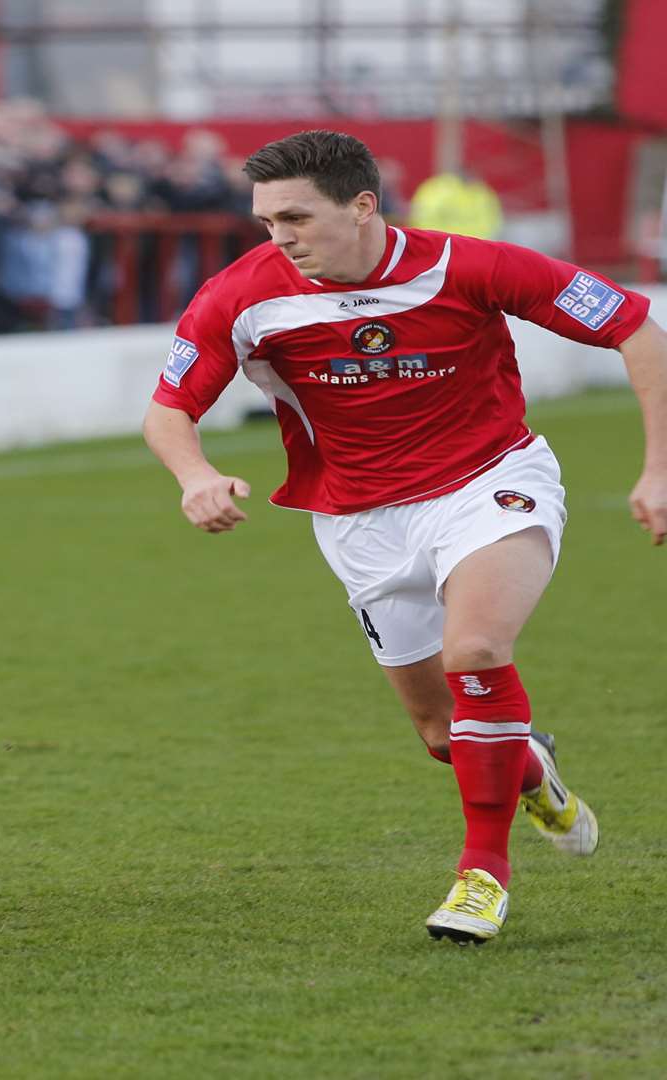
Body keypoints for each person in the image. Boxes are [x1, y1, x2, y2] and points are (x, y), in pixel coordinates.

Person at [142, 129, 667, 945]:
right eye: (266, 221)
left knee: (478, 651)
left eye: (295, 216)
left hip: (489, 483)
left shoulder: (472, 265)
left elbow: (636, 327)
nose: (278, 236)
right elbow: (169, 408)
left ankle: (482, 876)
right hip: (358, 521)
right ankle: (530, 769)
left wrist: (658, 469)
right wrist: (194, 476)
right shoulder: (243, 296)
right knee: (440, 734)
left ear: (362, 206)